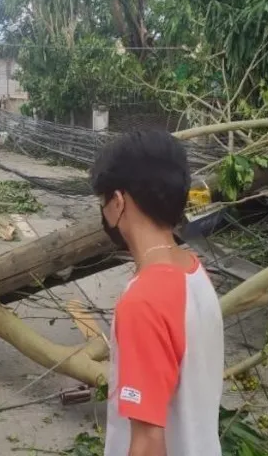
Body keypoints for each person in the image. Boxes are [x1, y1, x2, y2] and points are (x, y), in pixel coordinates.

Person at [90, 129, 224, 456]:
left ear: (118, 202)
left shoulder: (144, 302)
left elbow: (148, 440)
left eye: (104, 200)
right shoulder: (192, 270)